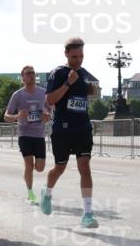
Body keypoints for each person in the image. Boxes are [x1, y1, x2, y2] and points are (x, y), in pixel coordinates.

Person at [40, 38, 100, 228]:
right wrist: (67, 83)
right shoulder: (58, 73)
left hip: (83, 127)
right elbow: (49, 100)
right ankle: (47, 193)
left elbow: (84, 96)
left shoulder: (84, 74)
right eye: (74, 56)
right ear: (66, 54)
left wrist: (92, 91)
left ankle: (88, 214)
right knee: (60, 167)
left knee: (85, 168)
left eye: (81, 56)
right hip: (63, 129)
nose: (78, 60)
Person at [5, 65, 50, 205]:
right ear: (22, 77)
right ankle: (30, 193)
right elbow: (6, 116)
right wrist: (18, 116)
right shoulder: (18, 95)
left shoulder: (44, 93)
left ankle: (37, 190)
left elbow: (49, 111)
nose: (30, 75)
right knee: (29, 165)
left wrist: (47, 116)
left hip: (39, 134)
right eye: (27, 73)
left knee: (40, 167)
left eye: (32, 73)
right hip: (24, 133)